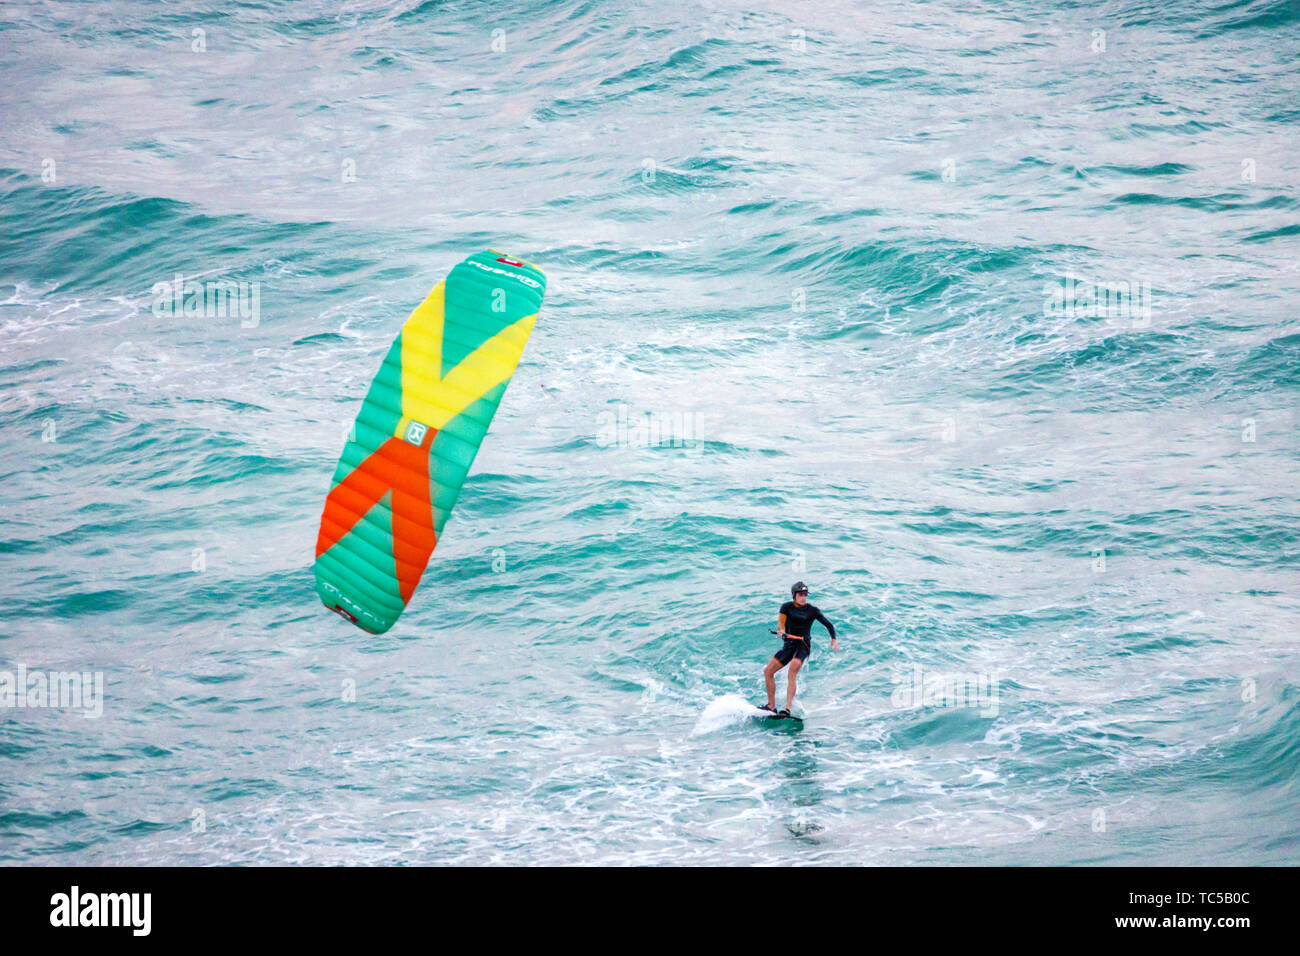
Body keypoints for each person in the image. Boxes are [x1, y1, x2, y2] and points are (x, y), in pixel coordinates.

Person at [762, 581, 838, 716]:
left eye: (805, 594)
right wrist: (781, 631)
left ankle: (787, 709)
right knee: (768, 671)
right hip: (789, 644)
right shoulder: (786, 607)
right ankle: (771, 706)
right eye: (800, 594)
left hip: (803, 645)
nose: (803, 597)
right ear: (794, 595)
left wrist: (833, 639)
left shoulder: (812, 610)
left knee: (792, 670)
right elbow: (781, 624)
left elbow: (829, 625)